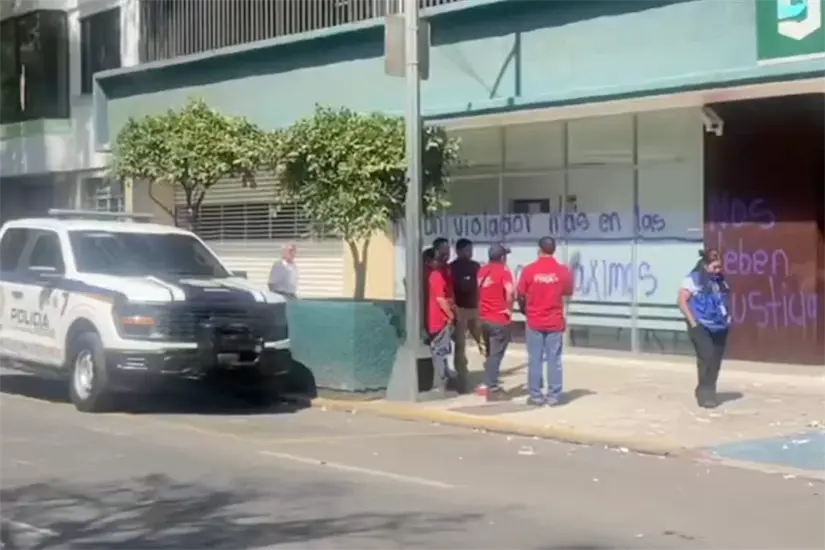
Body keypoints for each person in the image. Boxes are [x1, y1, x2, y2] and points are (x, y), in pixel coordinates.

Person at [516, 237, 574, 407]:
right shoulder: (563, 271)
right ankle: (554, 396)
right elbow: (568, 292)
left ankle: (535, 395)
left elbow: (520, 294)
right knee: (554, 359)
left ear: (539, 249)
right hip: (555, 320)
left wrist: (525, 310)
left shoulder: (529, 270)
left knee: (535, 359)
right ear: (554, 250)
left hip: (534, 320)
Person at [677, 248, 731, 409]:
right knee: (706, 356)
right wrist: (693, 323)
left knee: (715, 360)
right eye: (714, 267)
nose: (718, 270)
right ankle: (704, 393)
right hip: (701, 324)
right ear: (705, 265)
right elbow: (681, 301)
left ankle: (710, 390)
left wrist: (728, 317)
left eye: (719, 267)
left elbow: (725, 299)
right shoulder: (693, 279)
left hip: (720, 326)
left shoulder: (720, 281)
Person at [476, 243, 515, 402]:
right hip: (499, 318)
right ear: (502, 257)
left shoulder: (482, 270)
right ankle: (492, 387)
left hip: (484, 318)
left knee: (490, 353)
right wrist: (509, 309)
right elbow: (510, 292)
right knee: (496, 354)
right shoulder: (504, 272)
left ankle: (486, 383)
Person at [449, 238, 483, 393]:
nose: (470, 252)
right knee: (460, 345)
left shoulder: (476, 266)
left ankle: (489, 370)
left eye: (471, 249)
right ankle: (462, 376)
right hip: (460, 310)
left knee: (482, 341)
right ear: (459, 251)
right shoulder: (452, 268)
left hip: (475, 309)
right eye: (467, 250)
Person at [427, 246, 455, 390]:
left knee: (440, 349)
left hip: (436, 319)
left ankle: (442, 378)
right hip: (440, 319)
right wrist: (451, 315)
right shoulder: (436, 275)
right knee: (440, 350)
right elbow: (440, 299)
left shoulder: (431, 274)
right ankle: (441, 381)